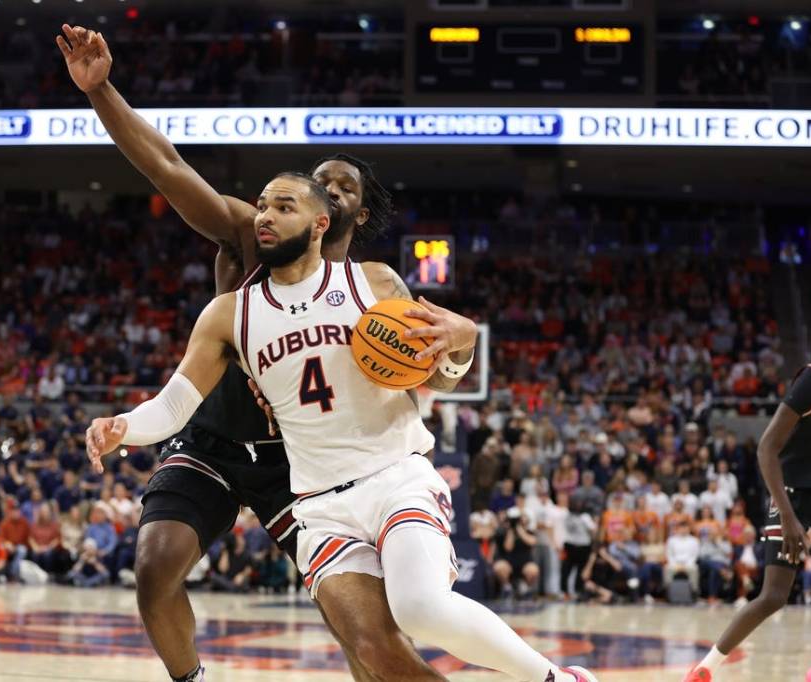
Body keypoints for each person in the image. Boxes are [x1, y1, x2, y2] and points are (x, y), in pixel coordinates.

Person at [85, 173, 596, 682]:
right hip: (320, 506)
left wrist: (462, 345)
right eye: (262, 206)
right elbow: (174, 406)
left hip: (396, 477)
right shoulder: (228, 314)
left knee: (421, 608)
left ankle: (558, 679)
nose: (264, 216)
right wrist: (122, 426)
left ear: (319, 224)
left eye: (284, 207)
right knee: (373, 650)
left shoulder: (371, 282)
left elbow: (438, 372)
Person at [57, 23, 446, 682]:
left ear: (352, 213)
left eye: (343, 186)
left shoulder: (376, 292)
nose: (327, 189)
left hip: (303, 463)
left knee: (365, 636)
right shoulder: (250, 234)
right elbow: (168, 165)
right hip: (211, 435)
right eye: (317, 179)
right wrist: (101, 93)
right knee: (153, 570)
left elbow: (415, 382)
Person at [687, 314, 811, 682]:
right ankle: (704, 669)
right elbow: (767, 448)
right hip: (793, 491)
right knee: (774, 595)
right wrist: (791, 518)